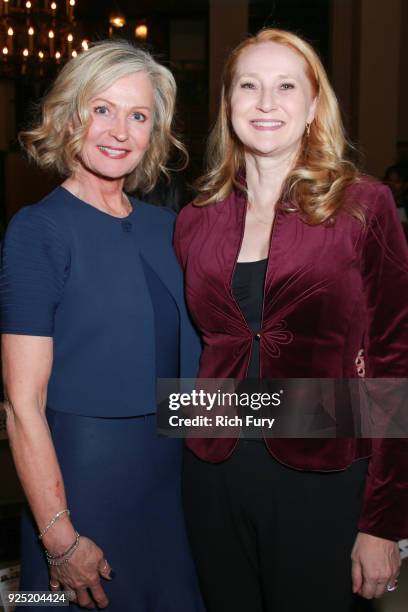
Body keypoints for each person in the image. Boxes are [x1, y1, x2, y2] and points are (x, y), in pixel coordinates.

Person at [174, 28, 408, 612]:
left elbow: (395, 358)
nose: (267, 102)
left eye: (286, 86)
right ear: (229, 105)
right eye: (249, 86)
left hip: (324, 473)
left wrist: (386, 521)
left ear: (312, 106)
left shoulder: (363, 204)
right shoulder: (196, 218)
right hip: (213, 469)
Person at [0, 40, 204, 612]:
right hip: (81, 497)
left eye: (137, 115)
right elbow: (22, 404)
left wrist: (352, 412)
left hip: (177, 493)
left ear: (153, 132)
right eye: (102, 109)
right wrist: (60, 539)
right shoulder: (36, 231)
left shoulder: (171, 227)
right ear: (71, 116)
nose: (119, 130)